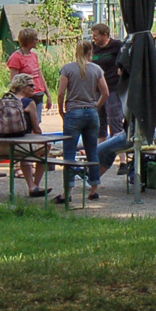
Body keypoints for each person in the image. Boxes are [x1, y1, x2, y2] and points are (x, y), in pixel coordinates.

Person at [56, 39, 108, 202]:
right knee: (92, 151)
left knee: (69, 152)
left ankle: (67, 191)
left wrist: (61, 110)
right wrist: (96, 106)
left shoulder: (68, 69)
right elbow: (105, 92)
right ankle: (94, 189)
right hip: (91, 112)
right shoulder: (97, 69)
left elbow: (61, 93)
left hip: (73, 112)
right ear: (90, 52)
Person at [5, 72, 49, 197]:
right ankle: (34, 185)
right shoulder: (29, 102)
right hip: (19, 146)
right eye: (31, 85)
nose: (34, 88)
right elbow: (37, 129)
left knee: (25, 152)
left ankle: (32, 186)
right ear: (22, 87)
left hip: (2, 146)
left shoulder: (5, 99)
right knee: (46, 148)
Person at [90, 22, 125, 140]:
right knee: (99, 120)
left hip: (112, 88)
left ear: (105, 35)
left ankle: (118, 147)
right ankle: (101, 147)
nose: (94, 38)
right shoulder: (92, 48)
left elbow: (125, 60)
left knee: (114, 118)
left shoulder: (117, 46)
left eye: (96, 35)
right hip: (97, 89)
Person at [6, 27, 47, 123]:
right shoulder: (16, 57)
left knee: (37, 121)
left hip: (38, 94)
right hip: (26, 95)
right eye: (35, 39)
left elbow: (39, 74)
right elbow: (14, 80)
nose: (37, 41)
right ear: (28, 41)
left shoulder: (34, 55)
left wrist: (47, 94)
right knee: (26, 122)